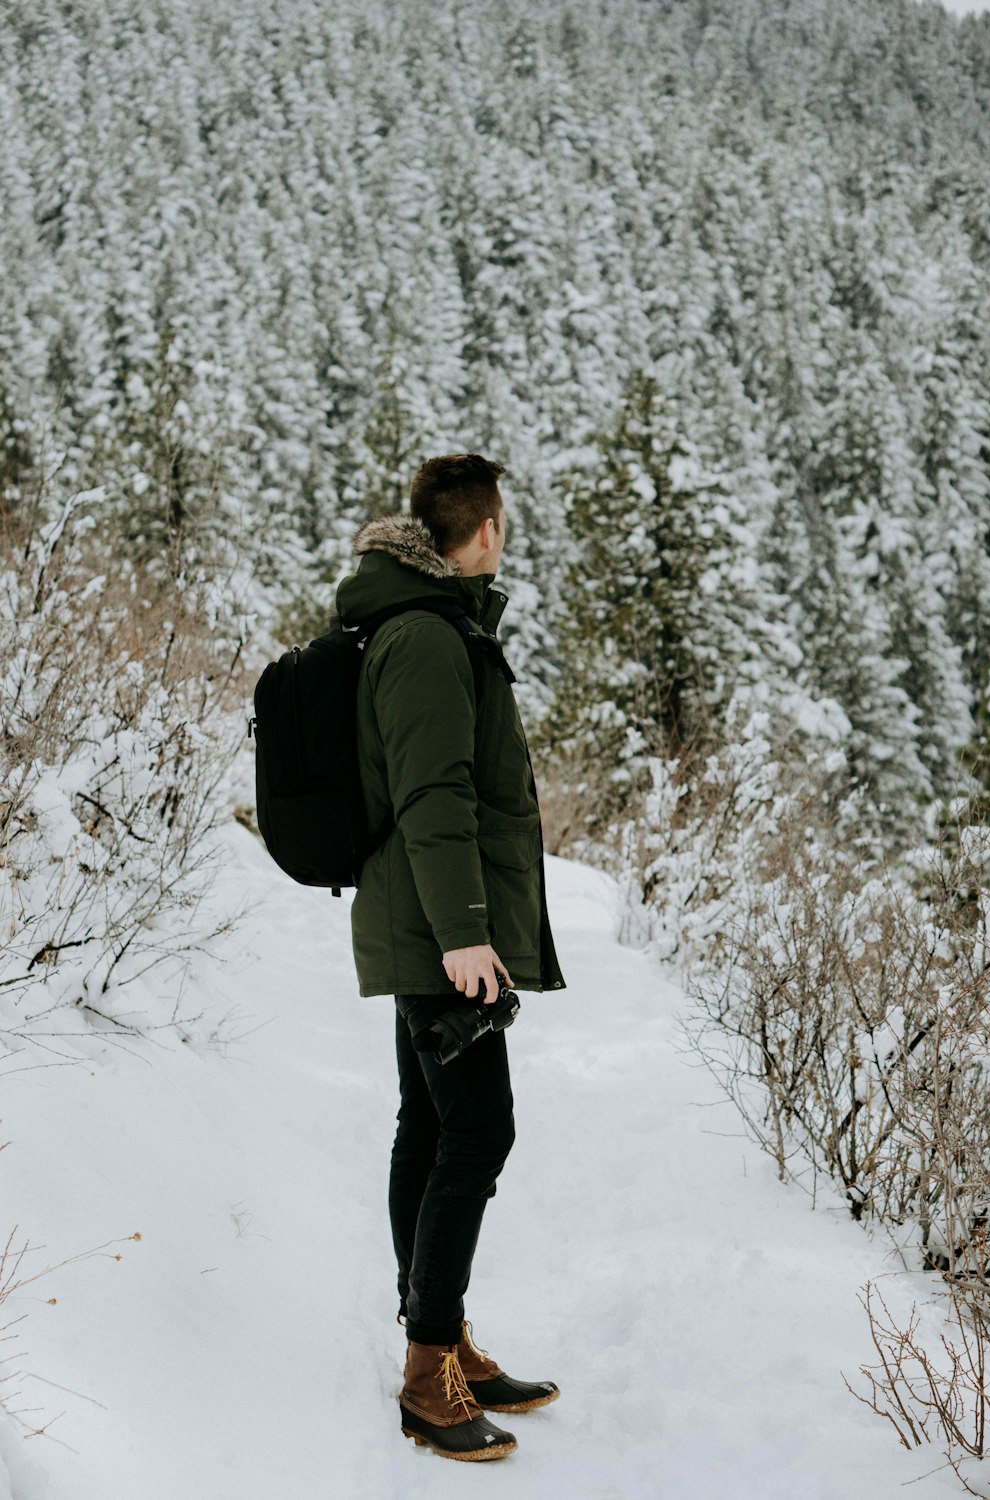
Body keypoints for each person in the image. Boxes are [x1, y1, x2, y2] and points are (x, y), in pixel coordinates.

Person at [335, 453, 566, 1462]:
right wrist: (468, 935)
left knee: (427, 1130)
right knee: (476, 1132)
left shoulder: (426, 625)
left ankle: (443, 1336)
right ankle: (428, 1370)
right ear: (484, 532)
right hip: (437, 931)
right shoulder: (427, 638)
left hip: (420, 919)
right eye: (502, 521)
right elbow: (434, 796)